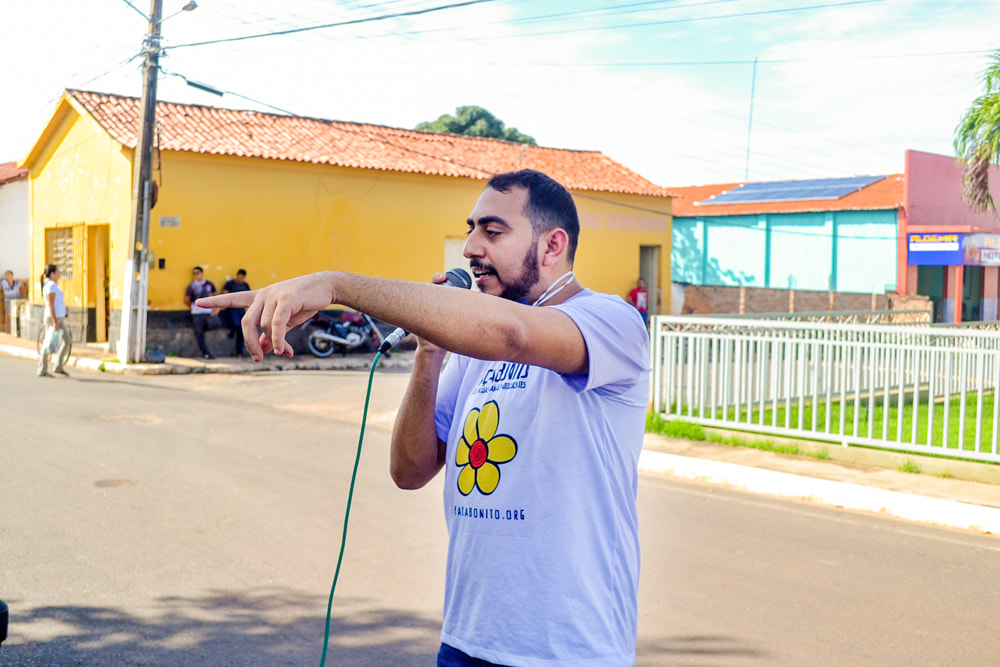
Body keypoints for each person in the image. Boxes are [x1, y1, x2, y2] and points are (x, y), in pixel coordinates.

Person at [198, 170, 649, 666]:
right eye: (472, 229)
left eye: (492, 232)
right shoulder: (475, 349)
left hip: (568, 651)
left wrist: (338, 285)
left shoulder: (612, 321)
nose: (471, 247)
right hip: (467, 640)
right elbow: (409, 471)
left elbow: (515, 335)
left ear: (552, 245)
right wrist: (429, 352)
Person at [37, 264, 70, 377]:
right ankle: (42, 370)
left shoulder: (53, 285)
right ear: (52, 274)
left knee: (67, 341)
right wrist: (55, 322)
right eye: (58, 271)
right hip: (53, 319)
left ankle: (59, 366)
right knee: (49, 344)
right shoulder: (51, 285)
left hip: (58, 318)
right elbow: (51, 304)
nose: (59, 273)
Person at [183, 266, 219, 359]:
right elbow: (187, 300)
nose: (195, 275)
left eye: (197, 273)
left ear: (202, 273)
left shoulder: (209, 284)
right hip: (197, 312)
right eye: (194, 273)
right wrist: (194, 306)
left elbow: (216, 295)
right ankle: (206, 353)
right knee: (199, 333)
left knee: (216, 324)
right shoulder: (191, 286)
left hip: (208, 311)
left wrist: (217, 309)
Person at [222, 269, 251, 358]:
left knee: (241, 329)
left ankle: (240, 352)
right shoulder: (230, 284)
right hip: (232, 308)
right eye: (240, 276)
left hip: (242, 309)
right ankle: (232, 330)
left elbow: (249, 297)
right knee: (236, 324)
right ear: (237, 275)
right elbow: (225, 294)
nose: (241, 279)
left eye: (243, 277)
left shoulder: (245, 285)